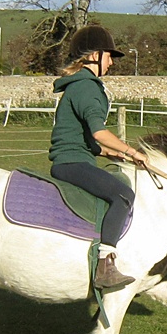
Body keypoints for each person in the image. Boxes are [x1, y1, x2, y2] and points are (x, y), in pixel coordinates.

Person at [49, 25, 149, 290]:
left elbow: (85, 140)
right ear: (95, 55)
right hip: (72, 164)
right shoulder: (87, 86)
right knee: (123, 195)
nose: (112, 62)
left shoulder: (79, 85)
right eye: (109, 56)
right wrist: (132, 151)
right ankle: (105, 266)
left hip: (74, 159)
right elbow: (99, 132)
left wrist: (113, 153)